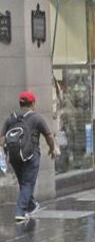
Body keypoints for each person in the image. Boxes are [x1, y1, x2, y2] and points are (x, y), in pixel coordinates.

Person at [3, 91, 57, 222]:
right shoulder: (37, 118)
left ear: (20, 104)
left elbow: (2, 137)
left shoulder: (11, 118)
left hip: (14, 156)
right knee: (27, 183)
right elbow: (48, 135)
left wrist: (5, 151)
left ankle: (31, 205)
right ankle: (20, 212)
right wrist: (52, 148)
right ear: (33, 103)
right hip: (31, 155)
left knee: (24, 182)